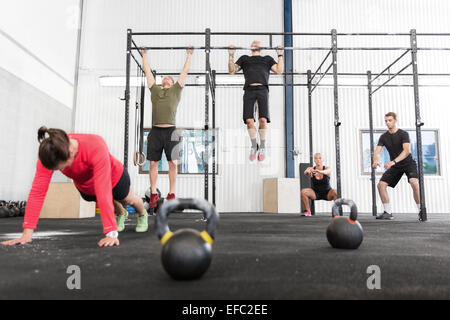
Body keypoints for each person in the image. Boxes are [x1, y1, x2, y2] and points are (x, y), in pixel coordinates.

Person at [1, 127, 147, 248]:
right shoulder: (50, 153)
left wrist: (111, 232)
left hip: (114, 177)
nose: (59, 170)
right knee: (103, 198)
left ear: (70, 152)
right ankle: (121, 213)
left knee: (128, 199)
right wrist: (26, 234)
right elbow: (37, 192)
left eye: (60, 168)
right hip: (86, 187)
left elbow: (103, 190)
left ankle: (142, 214)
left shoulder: (95, 145)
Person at [140, 46, 193, 210]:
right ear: (162, 82)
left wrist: (189, 55)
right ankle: (154, 193)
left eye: (170, 79)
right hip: (155, 131)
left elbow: (184, 73)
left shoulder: (176, 90)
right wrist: (144, 55)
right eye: (165, 79)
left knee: (173, 163)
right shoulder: (155, 90)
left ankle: (171, 193)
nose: (167, 80)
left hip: (171, 132)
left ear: (172, 83)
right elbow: (147, 73)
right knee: (153, 164)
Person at [228, 41, 283, 161]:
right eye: (253, 43)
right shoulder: (244, 59)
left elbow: (279, 70)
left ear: (261, 47)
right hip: (249, 90)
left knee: (262, 120)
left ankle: (262, 146)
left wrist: (280, 55)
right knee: (249, 121)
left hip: (263, 89)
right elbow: (232, 71)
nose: (256, 44)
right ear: (251, 47)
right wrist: (231, 55)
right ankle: (254, 145)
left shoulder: (267, 59)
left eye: (257, 43)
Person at [372, 112, 421, 220]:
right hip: (395, 166)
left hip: (408, 163)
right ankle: (387, 212)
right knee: (381, 185)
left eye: (390, 120)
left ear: (395, 121)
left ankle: (421, 210)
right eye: (386, 121)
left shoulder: (403, 134)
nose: (387, 122)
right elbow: (377, 152)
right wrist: (375, 161)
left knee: (414, 183)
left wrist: (393, 162)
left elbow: (406, 151)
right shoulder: (383, 137)